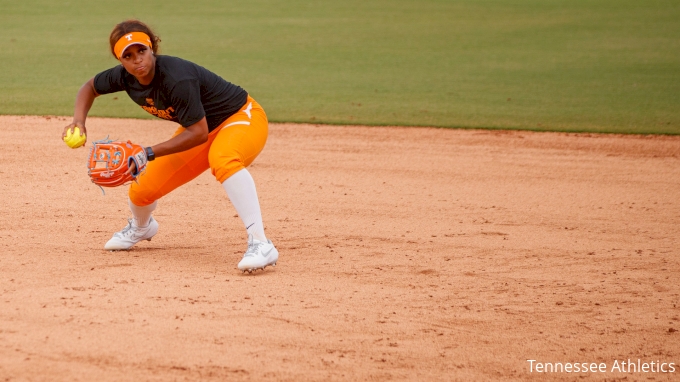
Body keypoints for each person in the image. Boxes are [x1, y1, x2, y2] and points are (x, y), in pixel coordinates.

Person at [61, 19, 278, 272]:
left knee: (223, 159)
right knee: (142, 190)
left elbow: (197, 134)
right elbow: (90, 87)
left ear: (152, 47)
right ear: (119, 60)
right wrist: (78, 121)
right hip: (201, 128)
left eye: (142, 50)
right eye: (128, 56)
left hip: (240, 117)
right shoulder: (123, 77)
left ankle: (261, 244)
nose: (137, 60)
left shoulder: (177, 78)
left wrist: (147, 153)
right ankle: (142, 227)